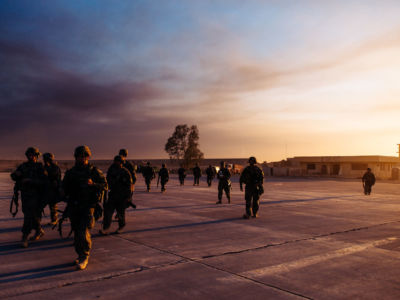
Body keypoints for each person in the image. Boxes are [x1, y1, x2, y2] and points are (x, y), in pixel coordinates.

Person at [62, 145, 107, 270]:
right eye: (79, 156)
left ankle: (84, 256)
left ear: (88, 157)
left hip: (88, 206)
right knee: (76, 232)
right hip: (74, 206)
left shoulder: (93, 171)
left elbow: (105, 185)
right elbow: (63, 187)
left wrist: (94, 184)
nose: (81, 159)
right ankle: (80, 254)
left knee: (83, 231)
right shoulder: (71, 173)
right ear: (75, 157)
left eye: (84, 156)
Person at [11, 147, 47, 248]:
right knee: (32, 215)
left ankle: (25, 236)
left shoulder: (40, 167)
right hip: (25, 195)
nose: (31, 157)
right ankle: (39, 230)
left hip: (37, 196)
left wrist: (30, 181)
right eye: (29, 155)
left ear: (36, 156)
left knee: (29, 216)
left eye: (33, 155)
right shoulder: (23, 166)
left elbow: (44, 182)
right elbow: (13, 176)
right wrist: (15, 174)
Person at [100, 155, 132, 235]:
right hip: (113, 194)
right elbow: (107, 182)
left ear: (121, 162)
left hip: (122, 196)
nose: (116, 162)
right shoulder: (111, 170)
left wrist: (128, 197)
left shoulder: (125, 172)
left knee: (121, 213)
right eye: (115, 161)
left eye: (118, 161)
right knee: (108, 212)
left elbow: (129, 186)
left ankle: (121, 227)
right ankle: (106, 228)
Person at [42, 152, 62, 226]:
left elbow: (54, 177)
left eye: (45, 159)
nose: (44, 160)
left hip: (53, 189)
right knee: (40, 205)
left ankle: (54, 219)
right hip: (46, 189)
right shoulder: (45, 166)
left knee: (52, 205)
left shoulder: (54, 167)